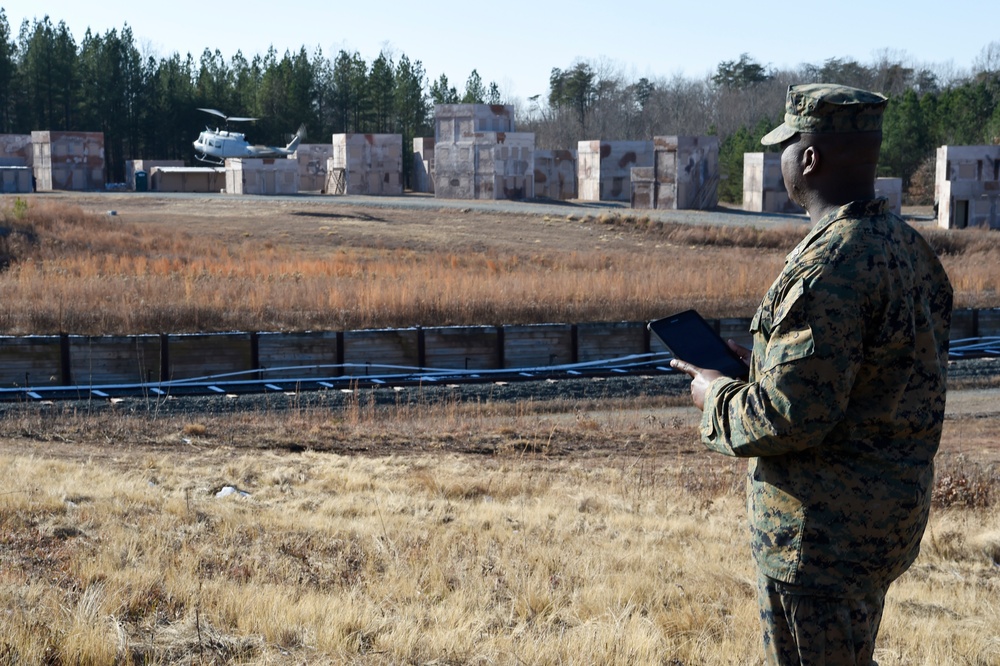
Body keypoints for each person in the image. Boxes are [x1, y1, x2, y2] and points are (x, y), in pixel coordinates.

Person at [670, 83, 953, 666]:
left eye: (785, 145)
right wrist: (764, 368)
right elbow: (873, 378)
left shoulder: (830, 265)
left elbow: (788, 417)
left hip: (820, 539)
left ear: (809, 158)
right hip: (881, 522)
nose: (780, 159)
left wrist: (716, 396)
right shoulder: (908, 249)